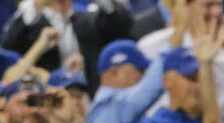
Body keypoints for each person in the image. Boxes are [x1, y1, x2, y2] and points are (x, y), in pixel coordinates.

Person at [1, 0, 132, 92]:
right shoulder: (32, 24)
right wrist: (36, 5)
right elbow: (8, 48)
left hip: (89, 93)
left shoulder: (87, 19)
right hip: (48, 94)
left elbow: (121, 25)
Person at [88, 38, 170, 123]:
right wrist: (173, 44)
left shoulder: (109, 105)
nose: (143, 76)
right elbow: (149, 88)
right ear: (114, 73)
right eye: (140, 70)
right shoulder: (110, 106)